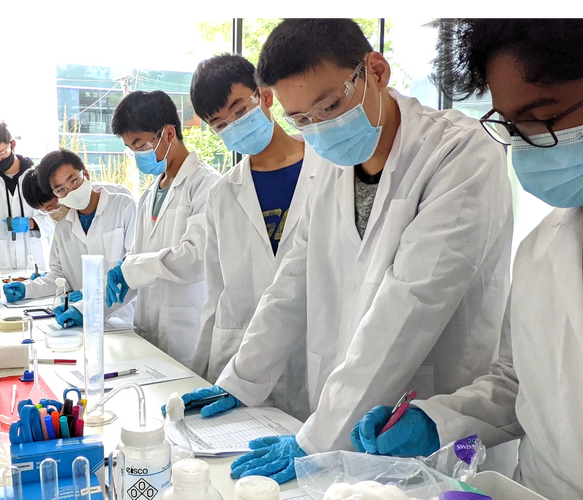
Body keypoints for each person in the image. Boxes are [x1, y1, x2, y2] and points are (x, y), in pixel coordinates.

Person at [178, 15, 514, 484]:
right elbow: (292, 279)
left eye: (330, 104)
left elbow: (411, 302)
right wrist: (242, 379)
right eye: (300, 119)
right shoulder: (333, 163)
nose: (319, 127)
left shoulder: (460, 153)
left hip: (428, 420)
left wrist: (316, 439)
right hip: (342, 411)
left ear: (375, 70)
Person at [353, 15, 583, 500]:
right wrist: (434, 420)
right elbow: (521, 381)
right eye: (514, 125)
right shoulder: (542, 249)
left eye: (545, 117)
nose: (527, 144)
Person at [187, 54, 328, 421]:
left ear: (265, 95)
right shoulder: (222, 195)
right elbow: (215, 296)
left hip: (315, 360)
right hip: (239, 368)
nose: (234, 125)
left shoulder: (331, 170)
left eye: (239, 109)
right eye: (220, 124)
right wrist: (201, 371)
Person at [105, 90, 220, 371]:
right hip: (148, 331)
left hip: (186, 335)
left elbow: (193, 259)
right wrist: (88, 310)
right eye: (131, 148)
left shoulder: (206, 185)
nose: (137, 155)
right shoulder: (149, 194)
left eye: (140, 144)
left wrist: (131, 268)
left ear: (169, 133)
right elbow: (136, 269)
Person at [3, 149, 137, 327]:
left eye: (73, 180)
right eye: (60, 189)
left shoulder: (124, 206)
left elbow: (133, 268)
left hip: (124, 318)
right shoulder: (63, 227)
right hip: (80, 322)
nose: (70, 191)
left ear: (85, 173)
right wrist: (27, 288)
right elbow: (58, 277)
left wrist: (86, 306)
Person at [0, 121, 54, 270]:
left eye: (2, 152)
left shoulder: (39, 177)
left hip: (37, 262)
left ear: (12, 144)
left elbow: (56, 219)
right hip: (0, 265)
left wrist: (31, 223)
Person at [22, 167, 134, 223]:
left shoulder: (118, 195)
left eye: (52, 207)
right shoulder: (65, 220)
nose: (53, 214)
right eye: (46, 211)